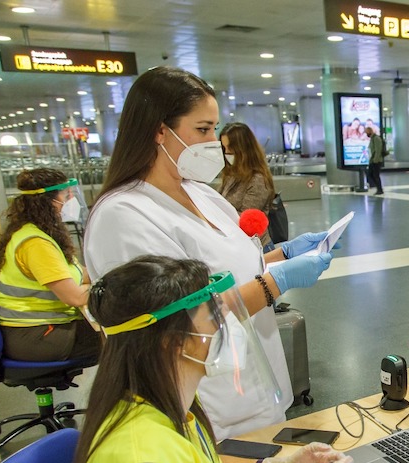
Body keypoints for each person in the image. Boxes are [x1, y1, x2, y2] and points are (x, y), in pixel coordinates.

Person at [83, 66, 335, 438]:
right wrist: (274, 284)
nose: (214, 142)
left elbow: (224, 270)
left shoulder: (202, 193)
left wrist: (281, 256)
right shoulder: (123, 216)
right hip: (207, 403)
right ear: (158, 130)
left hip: (258, 382)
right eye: (202, 129)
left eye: (214, 129)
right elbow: (180, 318)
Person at [74, 255, 350, 463]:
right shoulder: (140, 452)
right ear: (173, 341)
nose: (228, 325)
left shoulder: (170, 409)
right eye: (216, 315)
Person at [0, 168, 100, 362]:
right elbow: (74, 296)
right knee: (124, 339)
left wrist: (110, 274)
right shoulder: (36, 243)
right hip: (35, 336)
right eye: (66, 195)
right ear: (48, 202)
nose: (70, 201)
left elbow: (78, 274)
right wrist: (116, 291)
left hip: (34, 330)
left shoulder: (39, 233)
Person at [219, 122, 276, 247]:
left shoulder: (258, 179)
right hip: (238, 244)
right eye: (224, 148)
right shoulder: (231, 175)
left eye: (230, 148)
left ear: (243, 149)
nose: (227, 153)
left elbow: (246, 220)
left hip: (257, 247)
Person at [365, 126, 385, 195]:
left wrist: (375, 160)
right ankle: (378, 188)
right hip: (372, 160)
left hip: (376, 160)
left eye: (366, 132)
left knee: (375, 175)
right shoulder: (372, 139)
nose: (366, 134)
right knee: (371, 174)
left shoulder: (376, 138)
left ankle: (380, 189)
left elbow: (378, 150)